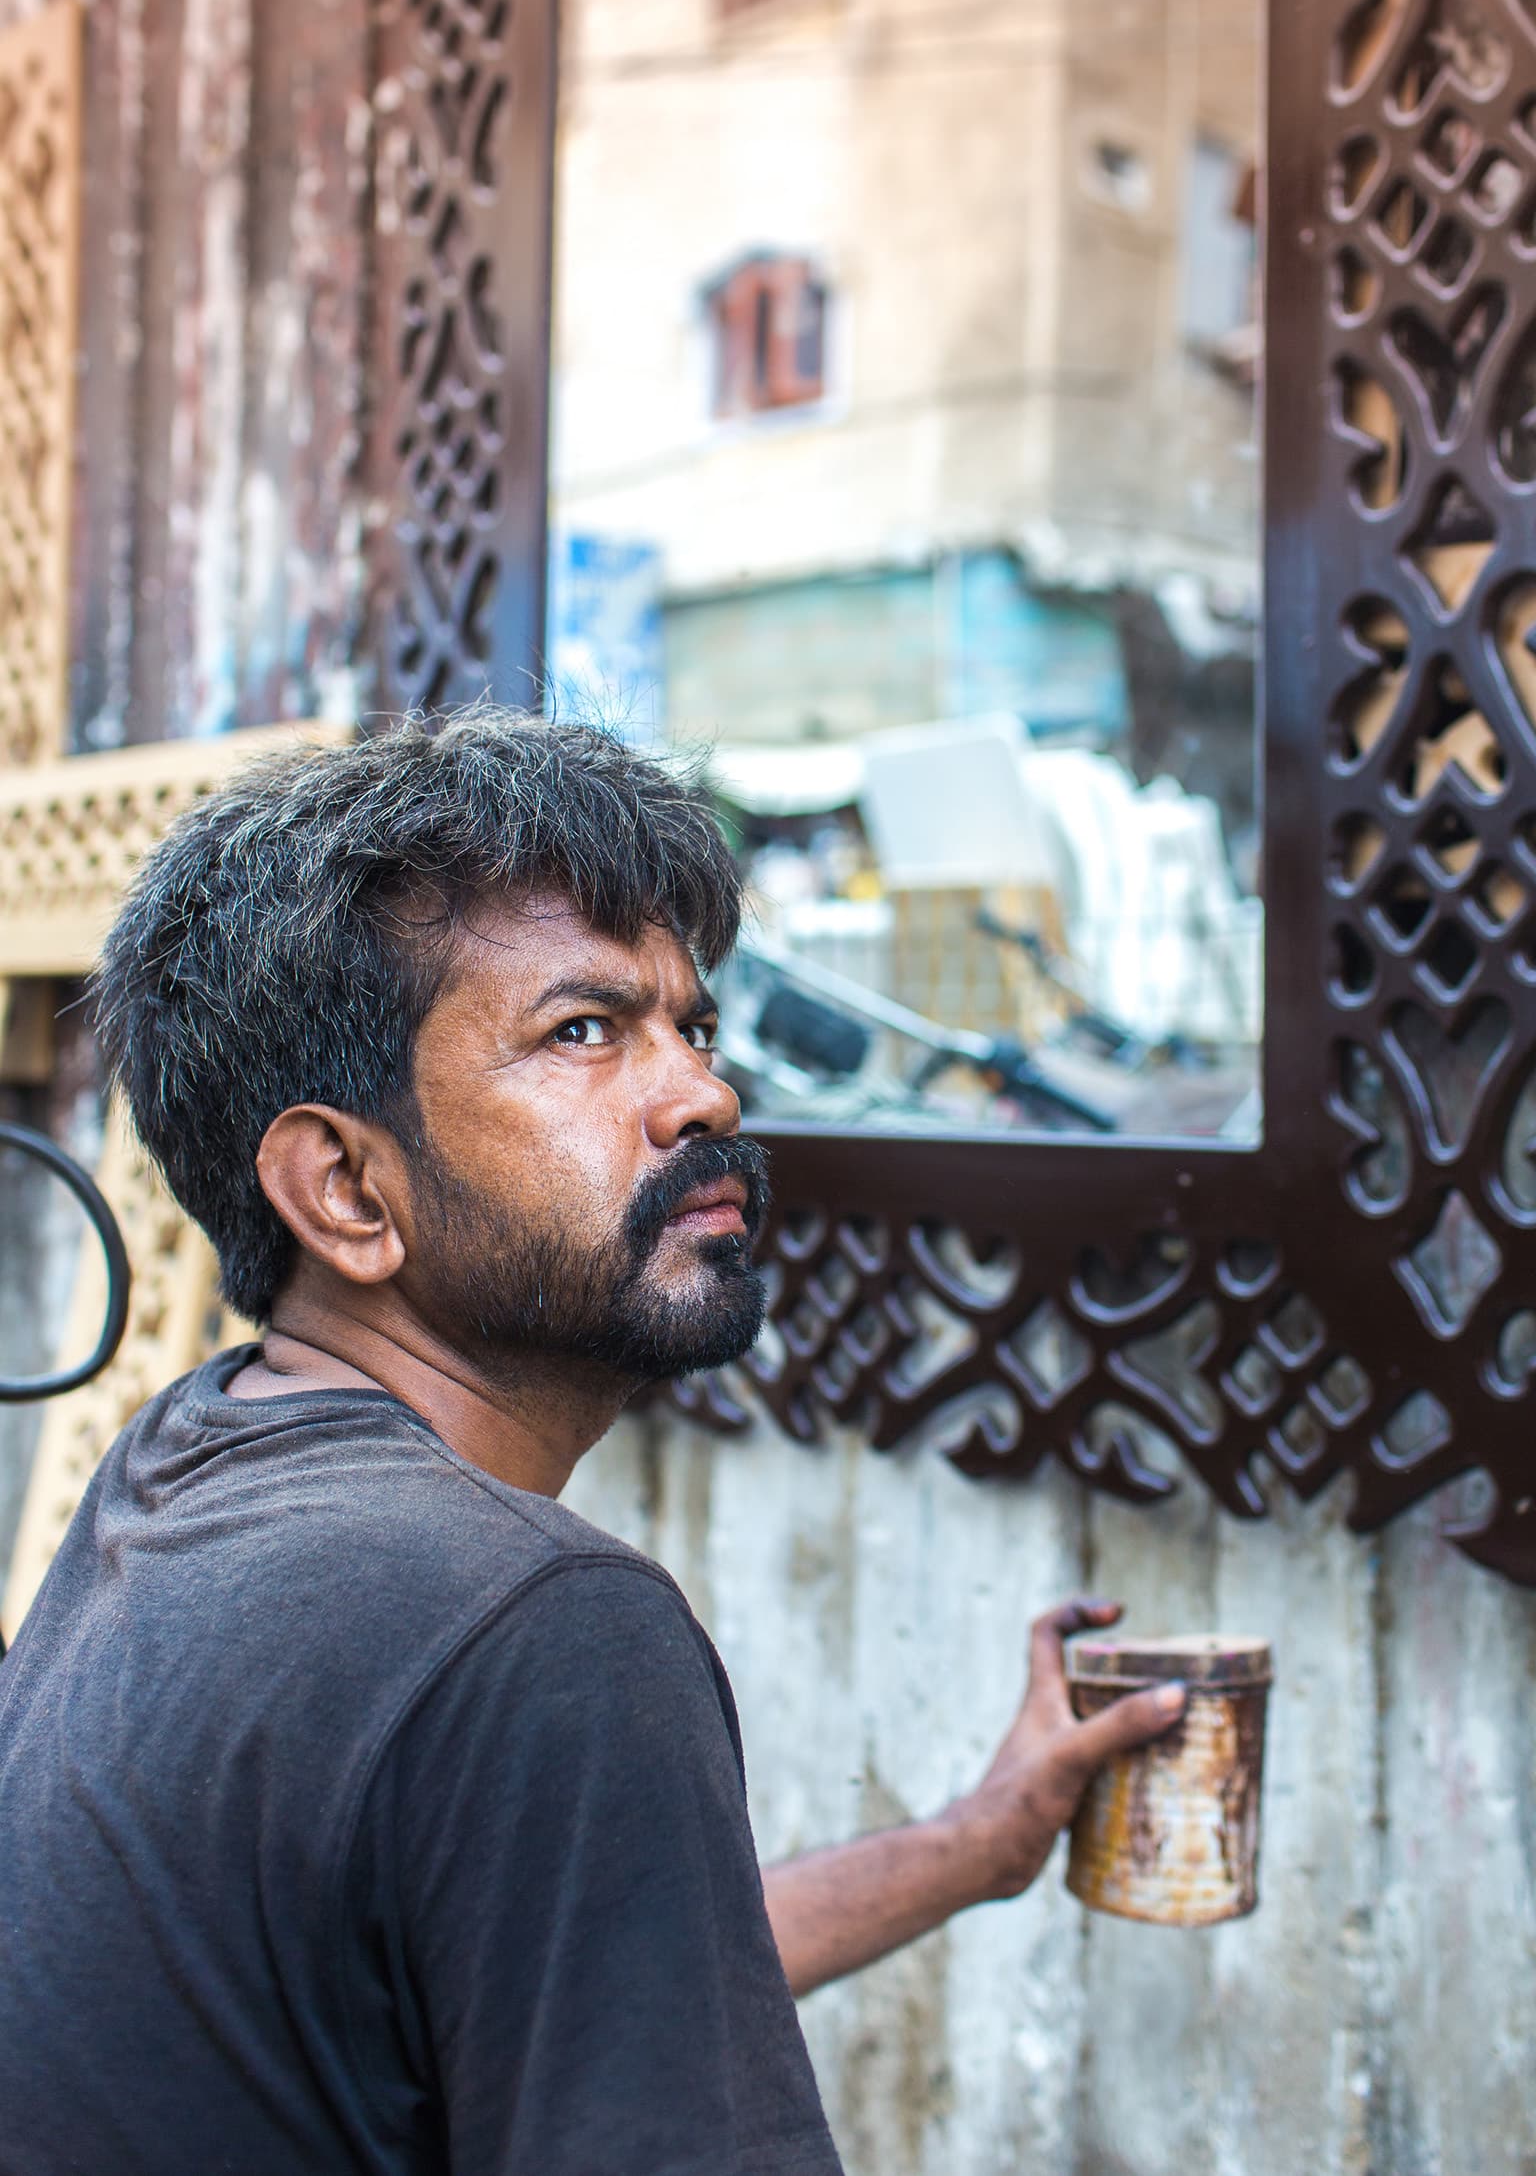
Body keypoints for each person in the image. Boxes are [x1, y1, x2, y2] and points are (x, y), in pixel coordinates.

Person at [0, 711, 1187, 2176]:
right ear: (348, 1193)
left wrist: (969, 1848)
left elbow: (528, 1973)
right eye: (582, 1032)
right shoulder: (535, 1626)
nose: (703, 1093)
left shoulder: (189, 1465)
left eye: (690, 1025)